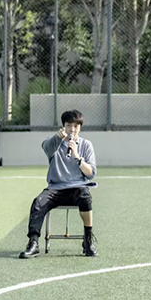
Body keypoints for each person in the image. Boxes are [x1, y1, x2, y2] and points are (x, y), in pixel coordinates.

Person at [20, 110, 98, 259]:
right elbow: (45, 147)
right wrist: (57, 138)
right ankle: (33, 243)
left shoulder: (86, 145)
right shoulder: (54, 143)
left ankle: (87, 241)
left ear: (80, 127)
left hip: (77, 188)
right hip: (55, 188)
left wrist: (77, 157)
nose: (72, 130)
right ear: (63, 127)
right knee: (38, 202)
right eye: (69, 126)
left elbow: (91, 173)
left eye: (76, 126)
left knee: (85, 196)